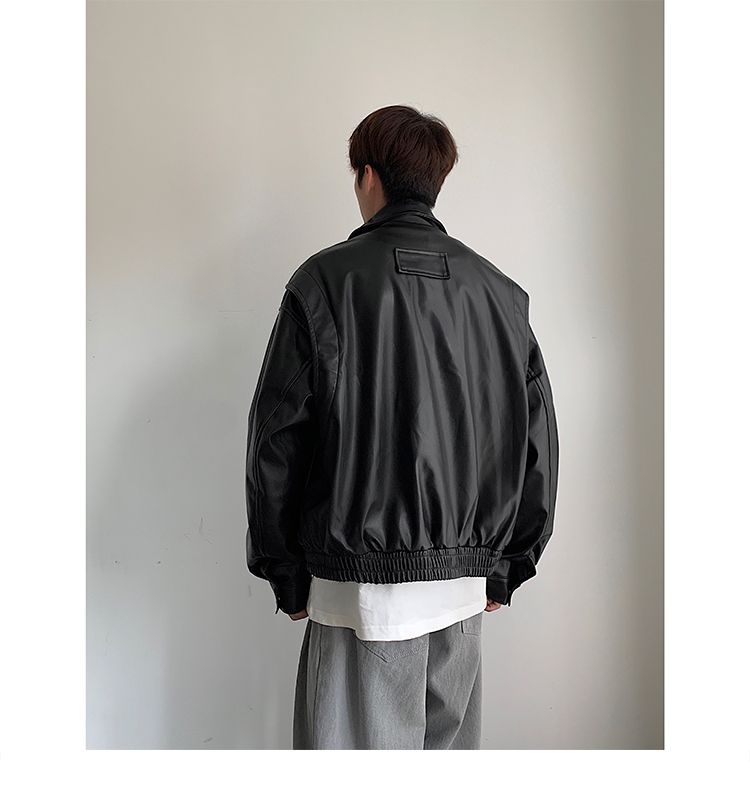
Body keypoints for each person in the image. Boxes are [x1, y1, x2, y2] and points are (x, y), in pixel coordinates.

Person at [244, 105, 560, 749]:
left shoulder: (324, 283)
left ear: (368, 176)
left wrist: (285, 572)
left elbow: (276, 438)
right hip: (464, 593)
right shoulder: (501, 294)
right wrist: (508, 564)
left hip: (361, 596)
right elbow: (537, 442)